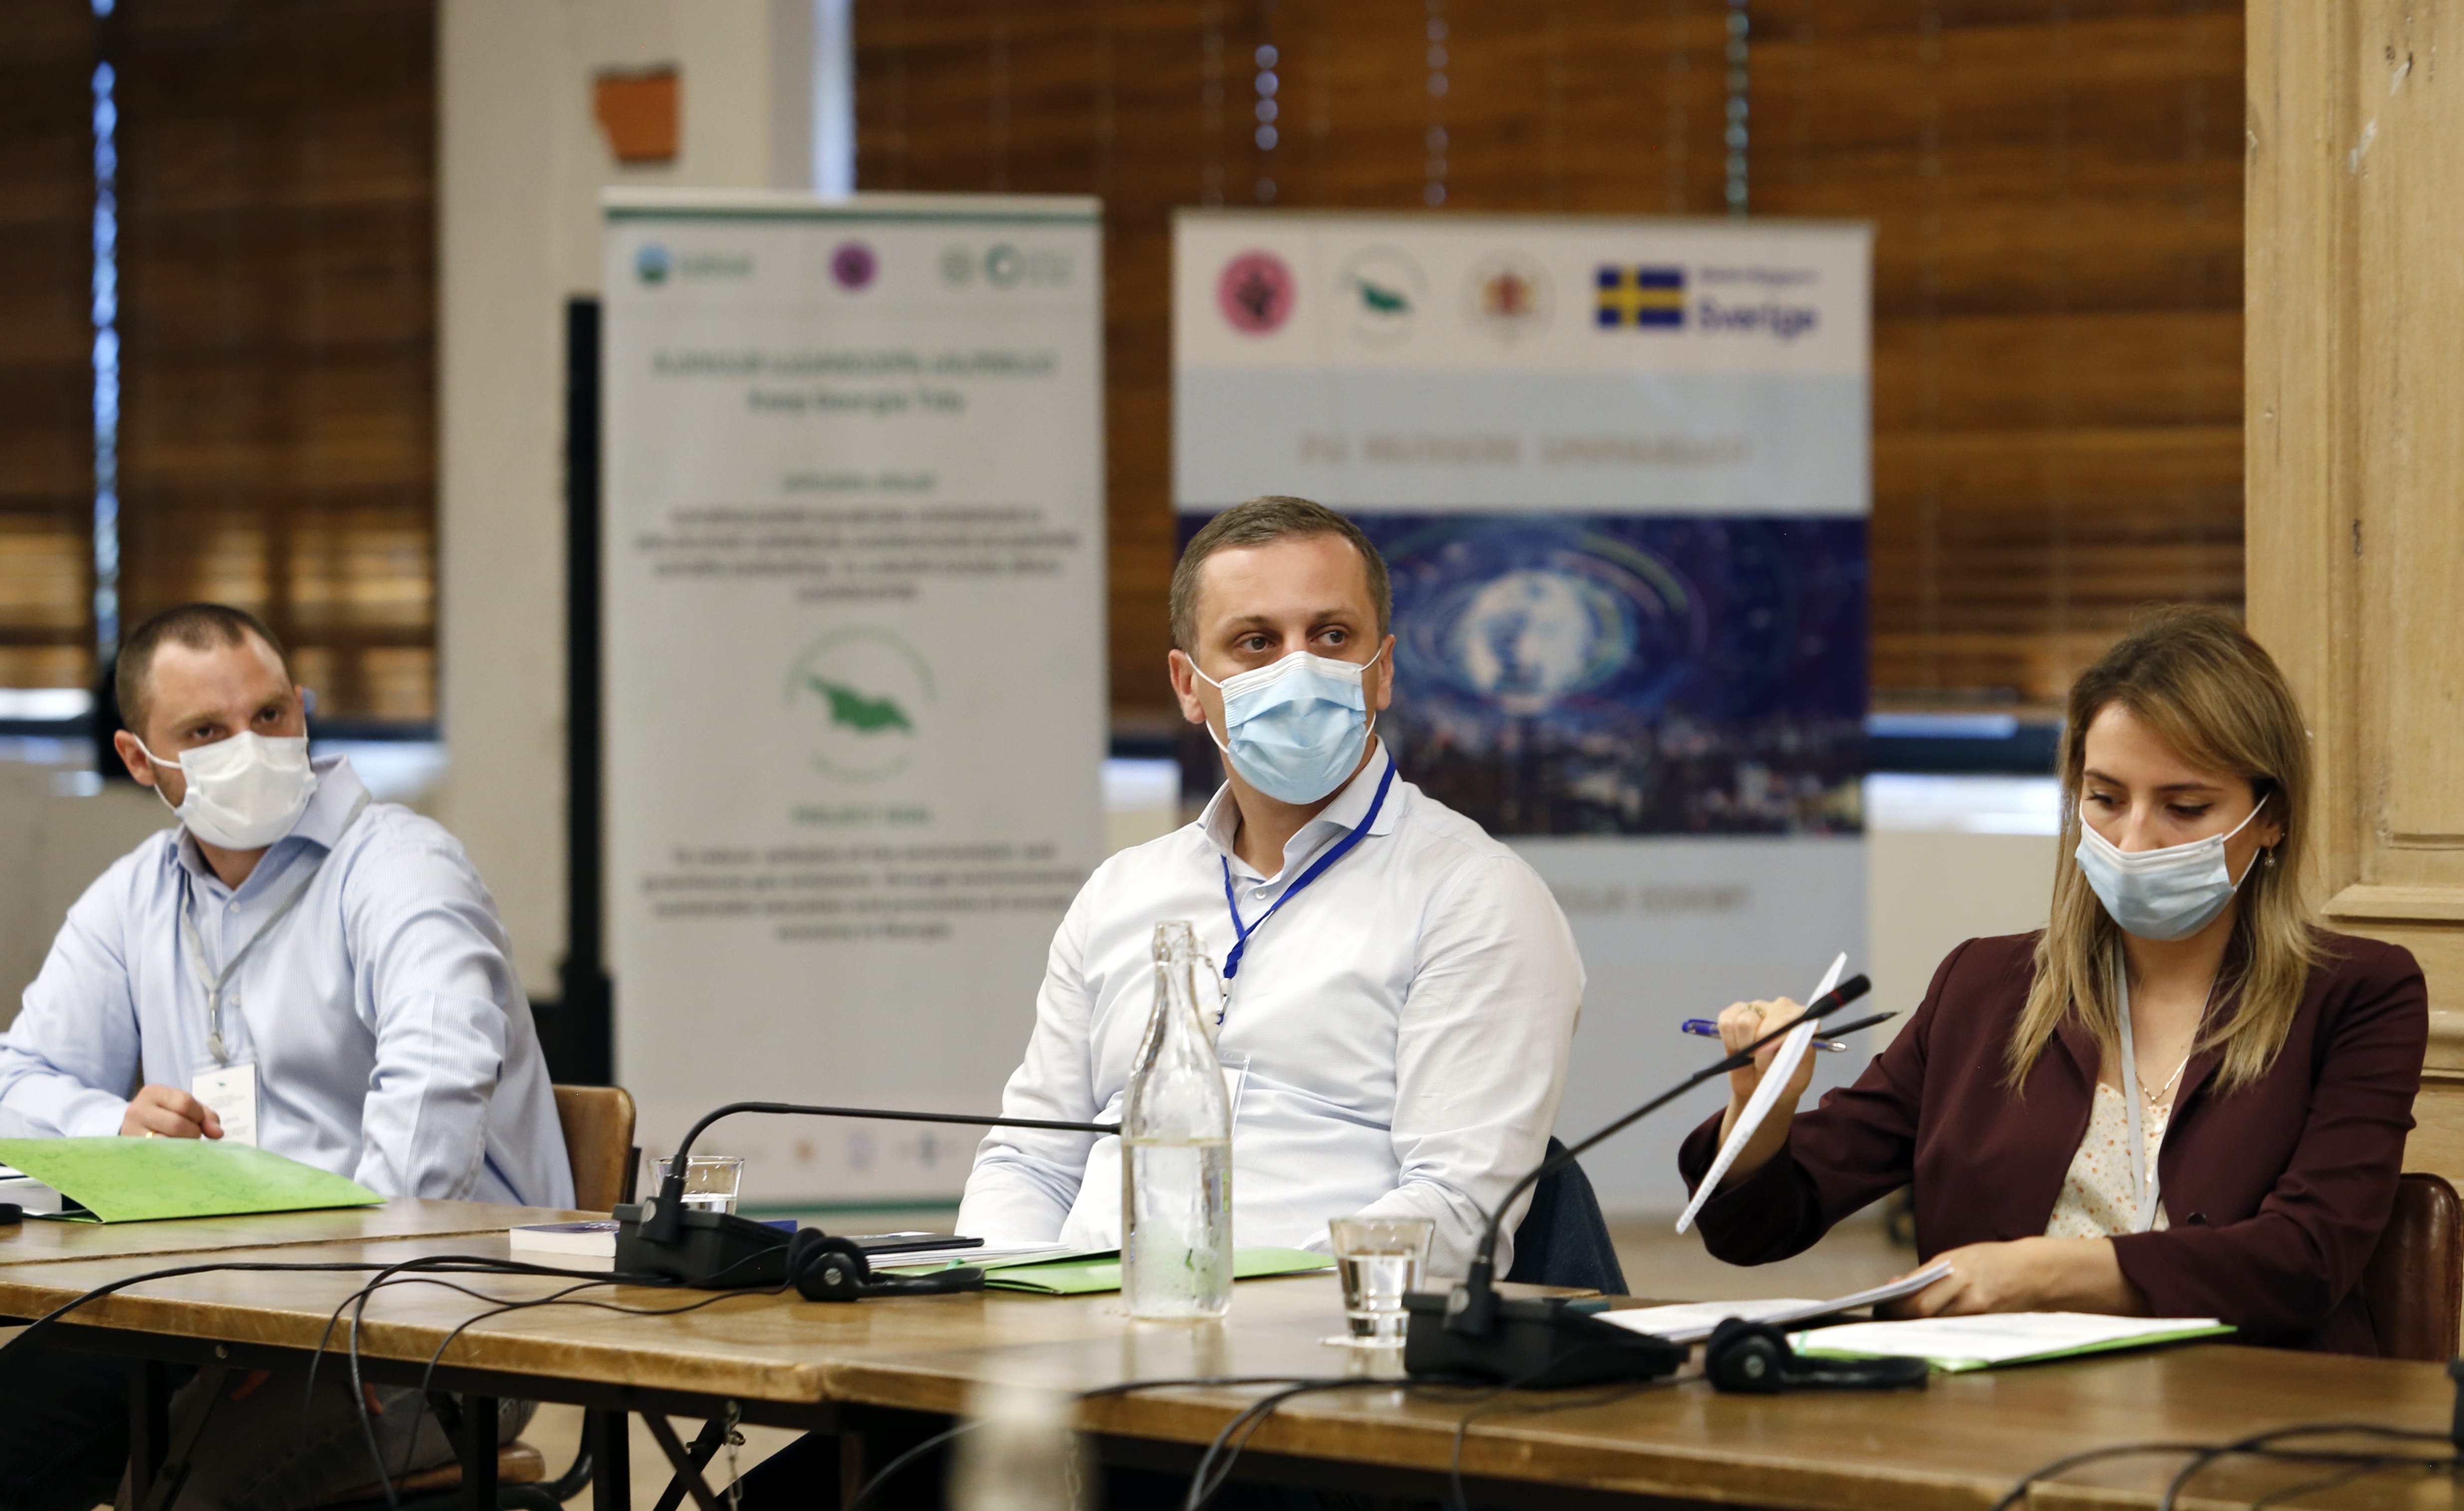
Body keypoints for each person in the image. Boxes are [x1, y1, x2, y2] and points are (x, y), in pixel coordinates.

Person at [1681, 605, 2427, 1353]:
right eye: (2105, 799)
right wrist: (1760, 1105)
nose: (2134, 839)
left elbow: (2305, 1261)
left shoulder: (2361, 994)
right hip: (2003, 1409)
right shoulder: (1983, 986)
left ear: (2272, 818)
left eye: (2185, 807)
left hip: (2248, 1406)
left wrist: (2039, 1272)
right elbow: (1754, 1229)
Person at [0, 603, 573, 1511]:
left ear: (303, 709)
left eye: (269, 715)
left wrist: (318, 1314)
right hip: (205, 1302)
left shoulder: (404, 869)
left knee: (189, 1490)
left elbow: (430, 1115)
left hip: (430, 1324)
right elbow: (17, 1082)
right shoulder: (136, 895)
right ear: (141, 760)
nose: (251, 747)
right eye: (206, 731)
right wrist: (115, 1128)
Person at [959, 495, 1585, 1277]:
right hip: (1079, 1328)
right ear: (1189, 686)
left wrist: (1208, 1298)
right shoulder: (1120, 892)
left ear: (1382, 669)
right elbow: (1028, 1162)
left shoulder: (1475, 896)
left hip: (1311, 1339)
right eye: (1255, 642)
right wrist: (999, 1306)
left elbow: (1454, 1213)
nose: (1299, 670)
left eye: (1331, 636)